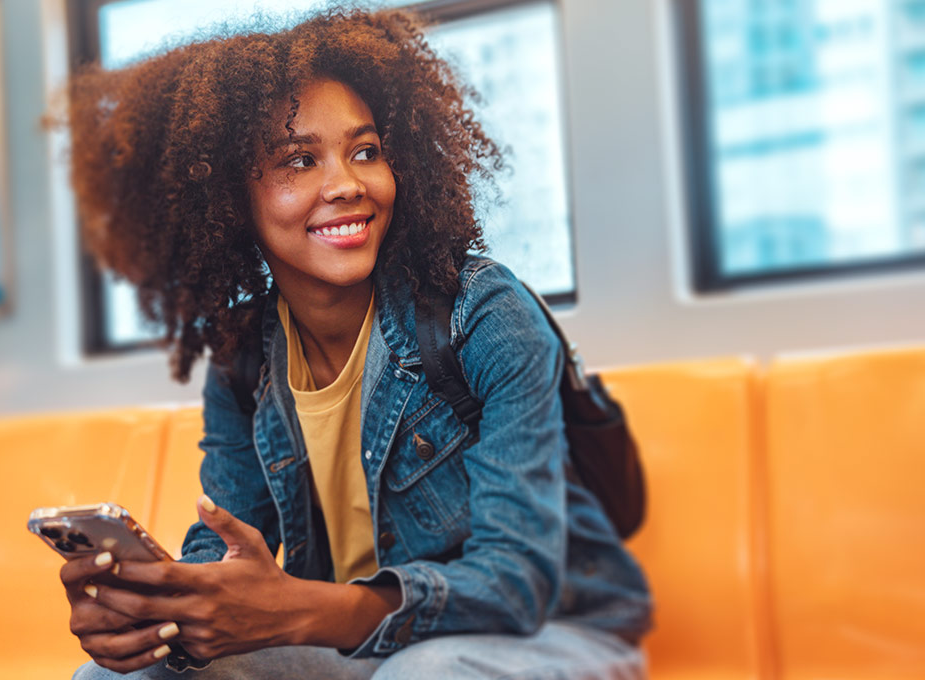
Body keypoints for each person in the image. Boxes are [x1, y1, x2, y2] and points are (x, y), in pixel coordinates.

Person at [57, 7, 652, 679]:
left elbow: (517, 584)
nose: (347, 184)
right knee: (122, 675)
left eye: (365, 151)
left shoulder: (483, 314)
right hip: (361, 646)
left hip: (552, 629)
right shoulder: (243, 359)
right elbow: (222, 550)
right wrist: (157, 611)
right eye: (300, 160)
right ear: (226, 197)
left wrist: (297, 611)